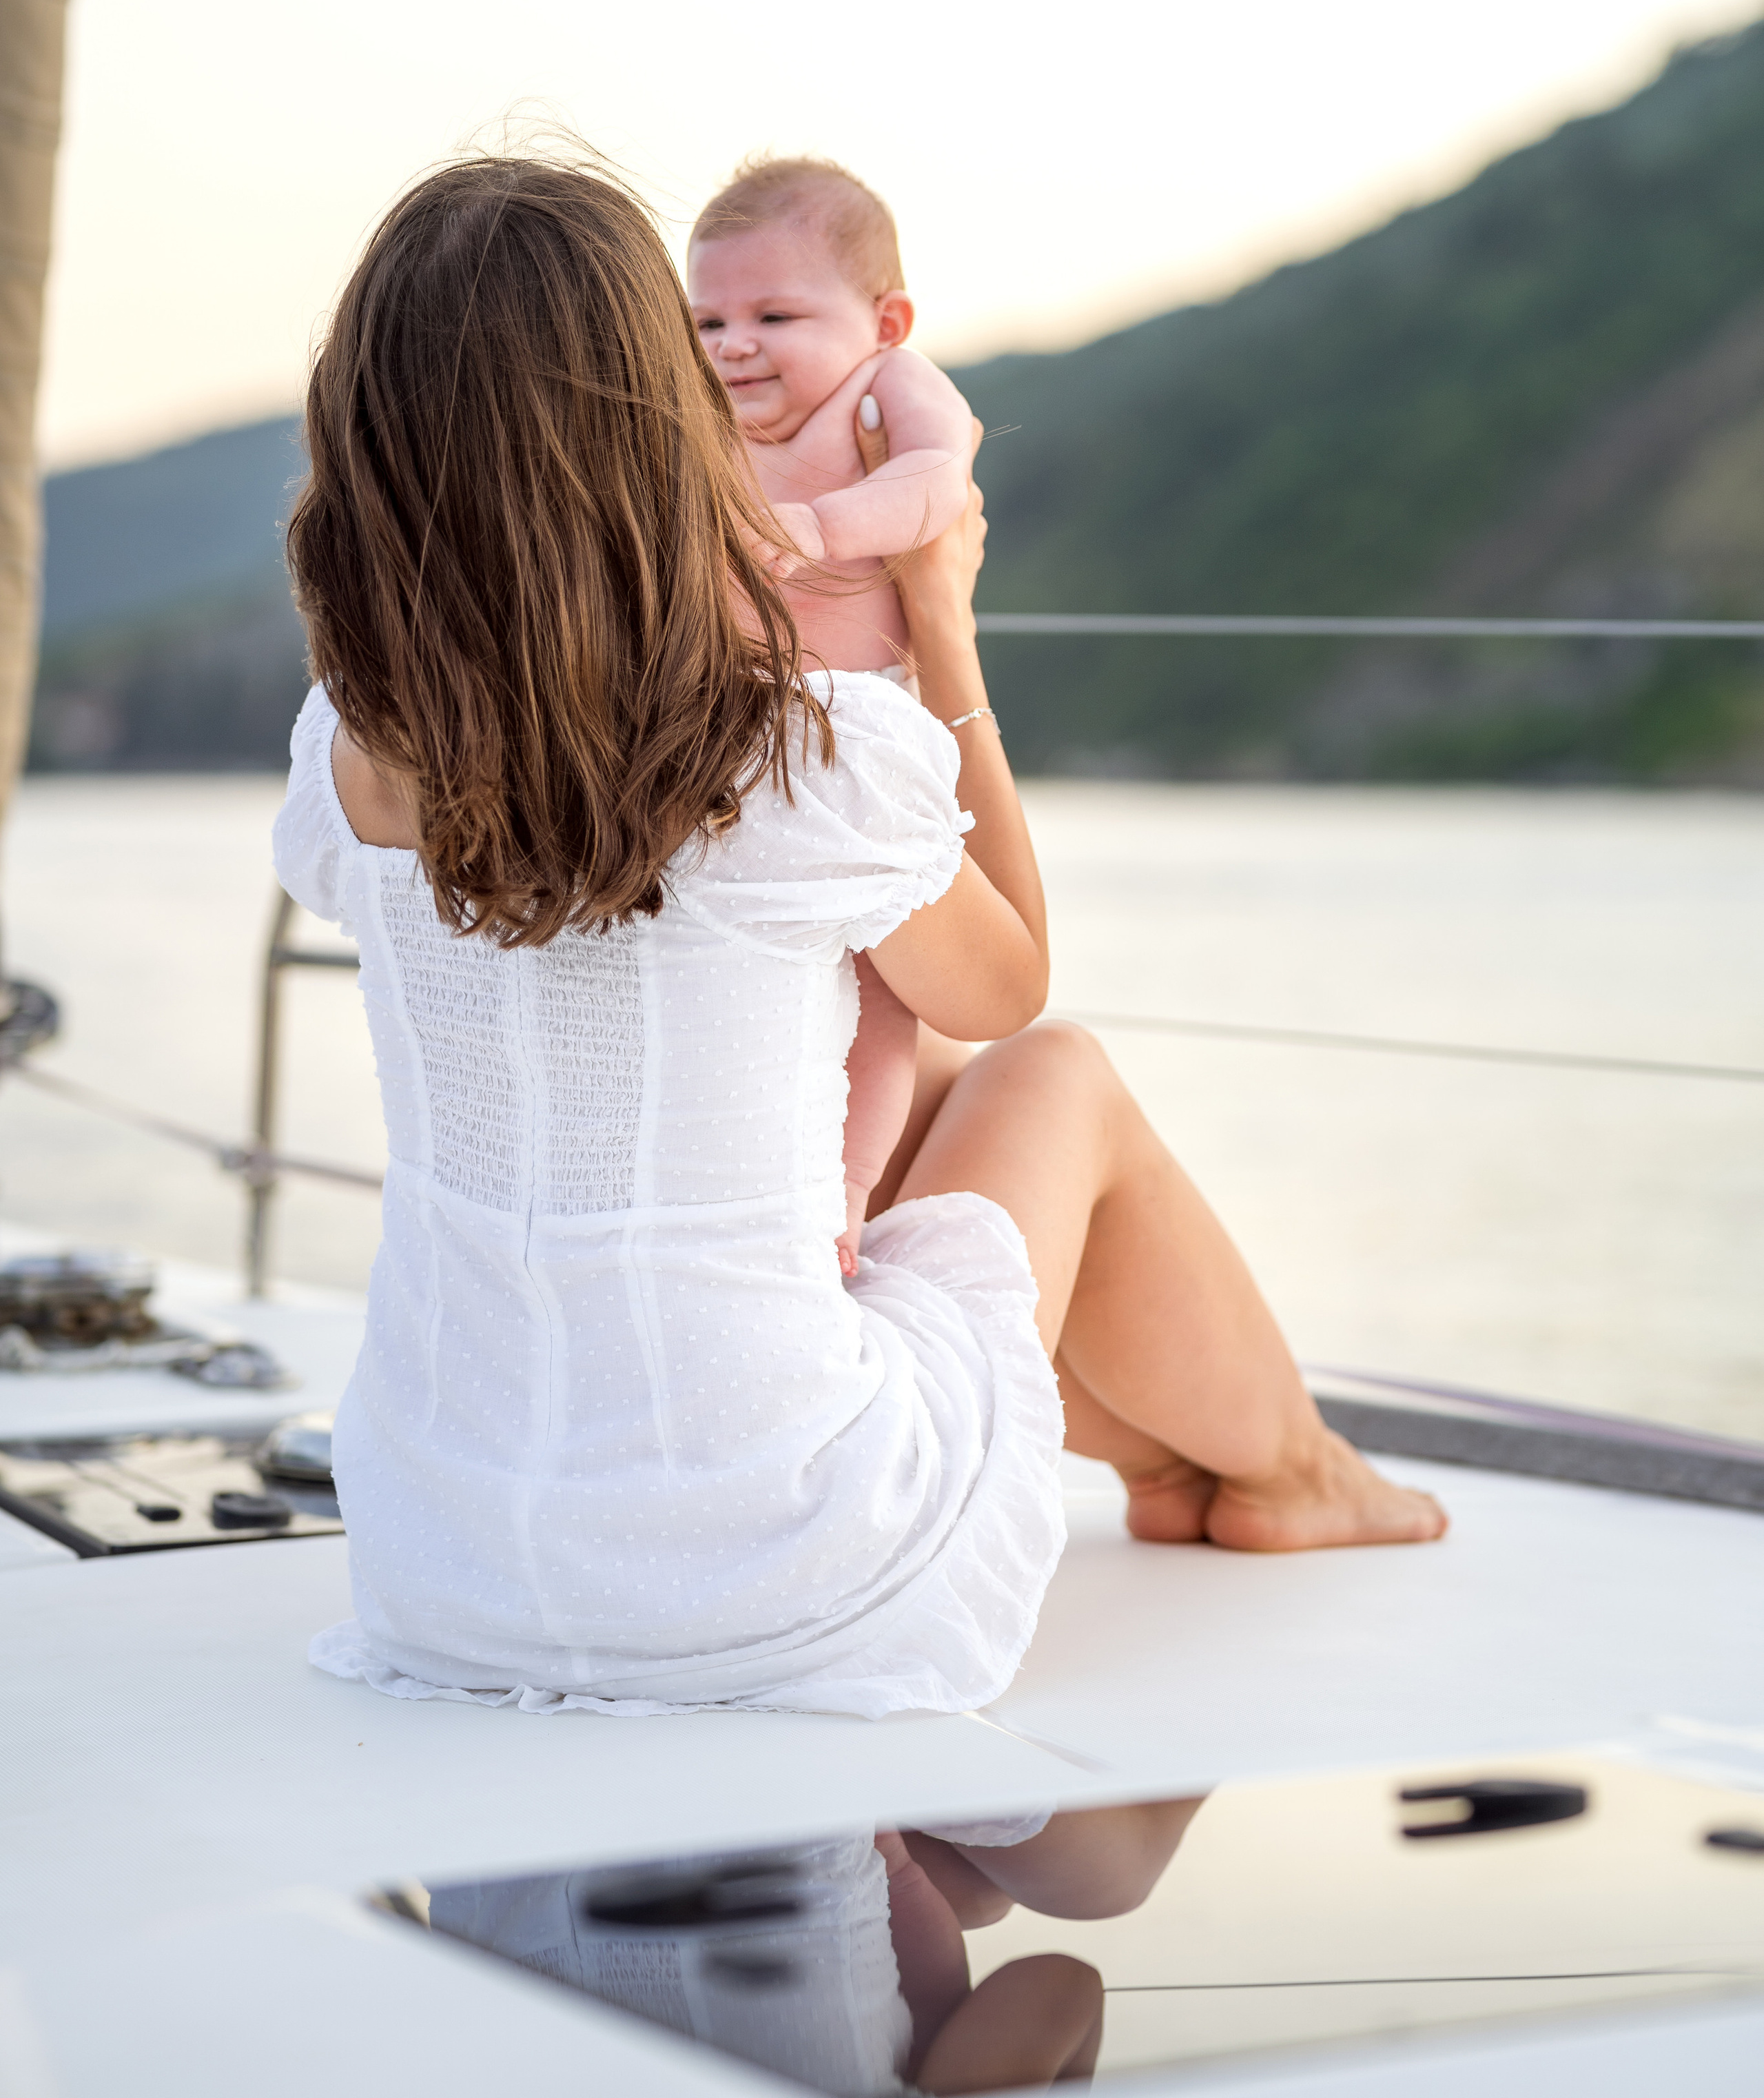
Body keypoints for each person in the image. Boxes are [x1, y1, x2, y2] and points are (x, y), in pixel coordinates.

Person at [277, 153, 1444, 1730]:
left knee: (915, 1091)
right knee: (1045, 1077)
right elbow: (1009, 977)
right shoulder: (787, 747)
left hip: (447, 1564)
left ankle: (1179, 1463)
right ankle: (1294, 1470)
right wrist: (939, 622)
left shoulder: (345, 754)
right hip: (771, 1570)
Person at [689, 156, 971, 1272]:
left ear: (884, 320)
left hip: (858, 732)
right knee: (756, 977)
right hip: (725, 734)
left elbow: (938, 482)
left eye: (773, 316)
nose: (733, 346)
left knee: (884, 993)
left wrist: (823, 527)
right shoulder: (702, 423)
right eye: (708, 321)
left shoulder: (888, 389)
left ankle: (846, 1195)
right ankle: (739, 1179)